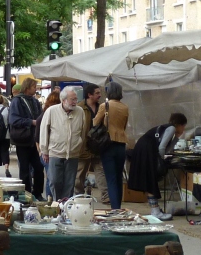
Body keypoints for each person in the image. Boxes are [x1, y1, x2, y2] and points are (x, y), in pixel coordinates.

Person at [128, 112, 188, 219]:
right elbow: (161, 148)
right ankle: (155, 211)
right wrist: (161, 160)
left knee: (149, 180)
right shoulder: (171, 128)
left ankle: (155, 209)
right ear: (180, 124)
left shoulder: (168, 129)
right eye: (184, 126)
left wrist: (176, 138)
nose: (184, 129)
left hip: (144, 148)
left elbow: (166, 149)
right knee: (150, 180)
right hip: (146, 149)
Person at [38, 86, 85, 201]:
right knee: (54, 181)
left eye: (76, 99)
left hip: (73, 154)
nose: (75, 102)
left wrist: (79, 146)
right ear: (63, 100)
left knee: (69, 184)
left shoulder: (80, 112)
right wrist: (44, 150)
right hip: (55, 152)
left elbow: (83, 131)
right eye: (72, 99)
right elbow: (43, 131)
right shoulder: (51, 111)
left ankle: (66, 206)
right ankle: (57, 203)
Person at [95, 80, 130, 209]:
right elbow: (124, 125)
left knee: (110, 179)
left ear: (109, 92)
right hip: (121, 144)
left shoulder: (105, 106)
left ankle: (115, 209)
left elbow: (95, 123)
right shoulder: (125, 107)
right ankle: (118, 207)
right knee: (118, 177)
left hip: (108, 144)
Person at [9, 78, 45, 197]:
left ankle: (37, 193)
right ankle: (26, 194)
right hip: (23, 140)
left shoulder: (35, 101)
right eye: (34, 87)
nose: (36, 89)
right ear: (27, 87)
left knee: (39, 167)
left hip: (35, 140)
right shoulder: (17, 101)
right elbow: (13, 120)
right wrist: (31, 122)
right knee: (24, 170)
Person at [76, 83, 108, 202]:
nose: (100, 95)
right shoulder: (79, 108)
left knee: (101, 172)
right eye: (97, 93)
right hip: (83, 146)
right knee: (79, 174)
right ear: (89, 95)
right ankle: (78, 196)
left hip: (98, 145)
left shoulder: (102, 107)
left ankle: (105, 196)